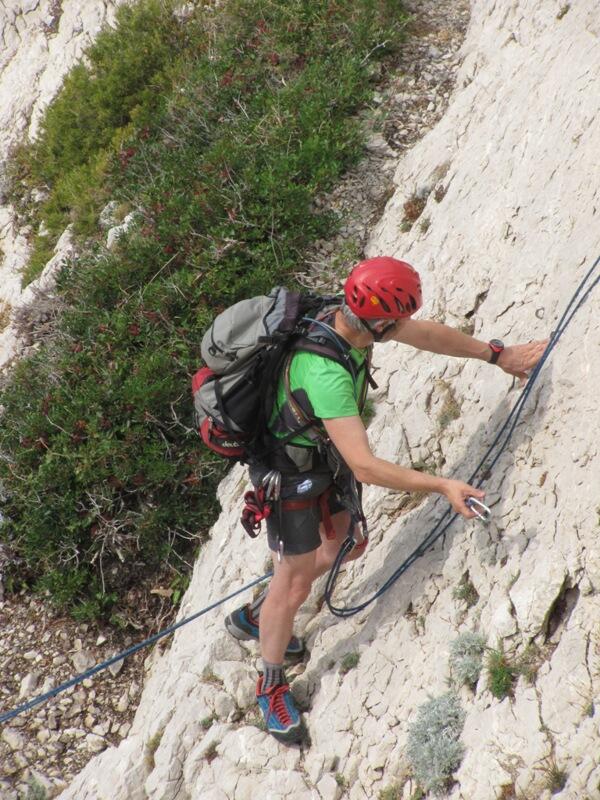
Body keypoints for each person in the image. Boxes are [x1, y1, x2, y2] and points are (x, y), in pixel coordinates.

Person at [224, 256, 547, 743]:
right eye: (397, 319)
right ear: (377, 320)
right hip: (289, 473)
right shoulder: (326, 374)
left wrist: (496, 355)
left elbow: (427, 335)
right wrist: (443, 485)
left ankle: (260, 615)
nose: (403, 325)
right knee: (292, 584)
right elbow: (366, 467)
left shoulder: (352, 319)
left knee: (346, 546)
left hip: (318, 455)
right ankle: (269, 683)